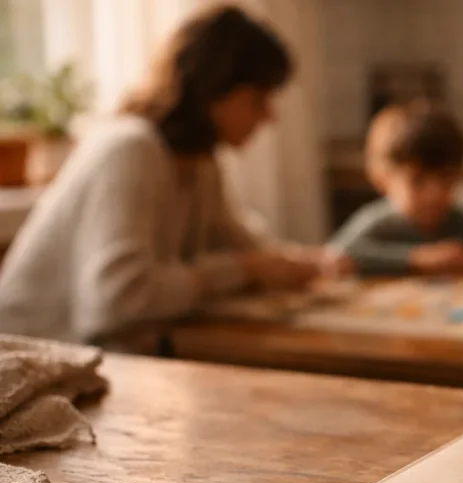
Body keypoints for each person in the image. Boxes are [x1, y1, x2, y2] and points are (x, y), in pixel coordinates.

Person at [0, 4, 324, 347]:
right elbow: (117, 301)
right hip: (28, 374)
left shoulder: (199, 163)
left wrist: (302, 262)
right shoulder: (130, 148)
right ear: (215, 86)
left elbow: (244, 246)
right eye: (259, 99)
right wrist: (245, 270)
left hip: (94, 365)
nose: (269, 117)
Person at [327, 102, 463, 275]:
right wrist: (415, 258)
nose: (434, 194)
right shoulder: (378, 221)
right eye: (418, 181)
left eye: (446, 180)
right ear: (382, 179)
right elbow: (335, 256)